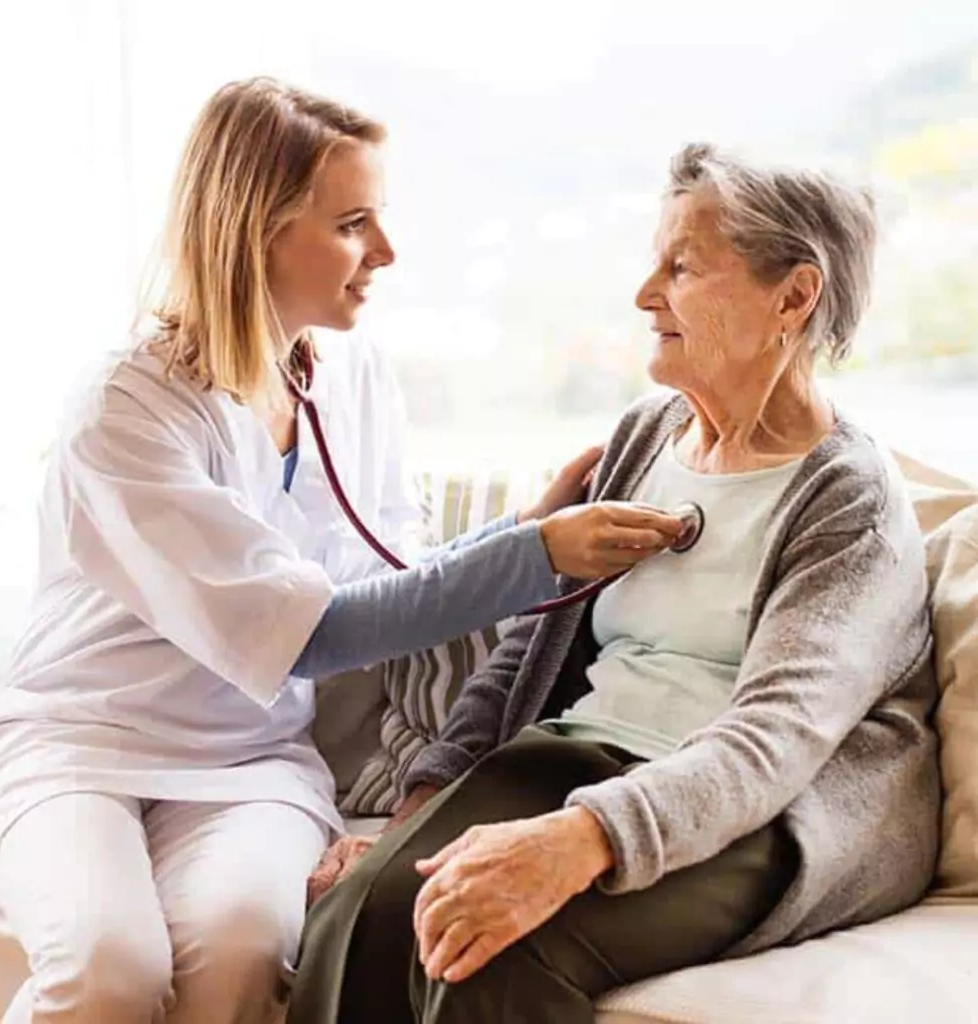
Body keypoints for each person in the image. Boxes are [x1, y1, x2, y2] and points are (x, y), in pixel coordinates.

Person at [0, 78, 685, 1024]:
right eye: (352, 224)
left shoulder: (352, 373)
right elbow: (309, 635)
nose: (384, 252)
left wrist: (521, 531)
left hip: (248, 761)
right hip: (79, 747)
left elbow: (387, 578)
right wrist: (538, 553)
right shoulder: (126, 408)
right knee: (109, 969)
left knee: (243, 954)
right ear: (254, 229)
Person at [288, 142, 942, 1024]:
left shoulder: (846, 502)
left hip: (763, 815)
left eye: (681, 267)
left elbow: (774, 740)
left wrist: (582, 840)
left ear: (793, 296)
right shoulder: (646, 437)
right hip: (578, 757)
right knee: (356, 913)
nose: (645, 295)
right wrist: (416, 810)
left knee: (479, 953)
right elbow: (533, 645)